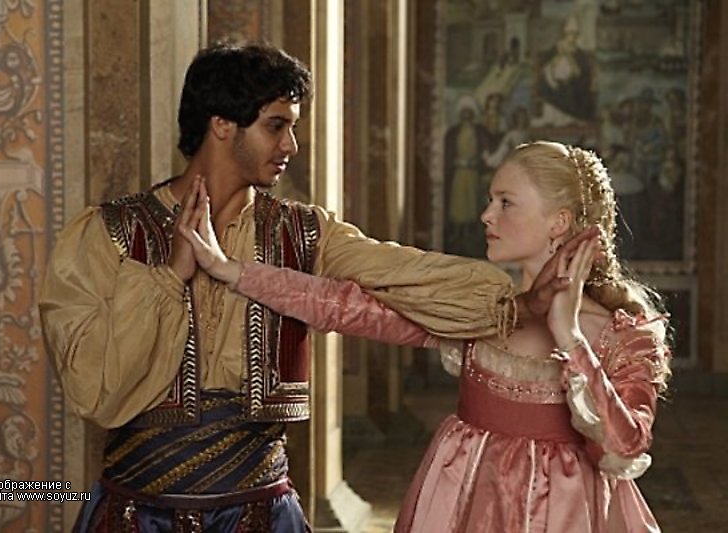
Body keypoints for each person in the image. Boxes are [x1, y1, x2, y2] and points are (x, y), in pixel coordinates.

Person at [38, 42, 592, 531]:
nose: (292, 145)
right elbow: (92, 389)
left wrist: (513, 303)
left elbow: (400, 269)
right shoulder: (109, 234)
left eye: (293, 127)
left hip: (260, 512)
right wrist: (170, 277)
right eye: (276, 125)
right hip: (139, 513)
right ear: (222, 124)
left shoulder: (304, 232)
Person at [184, 141, 671, 532]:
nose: (486, 215)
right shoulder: (475, 310)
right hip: (460, 498)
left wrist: (570, 337)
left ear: (557, 222)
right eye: (489, 200)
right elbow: (347, 306)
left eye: (505, 202)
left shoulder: (624, 333)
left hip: (568, 513)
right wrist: (233, 271)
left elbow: (624, 445)